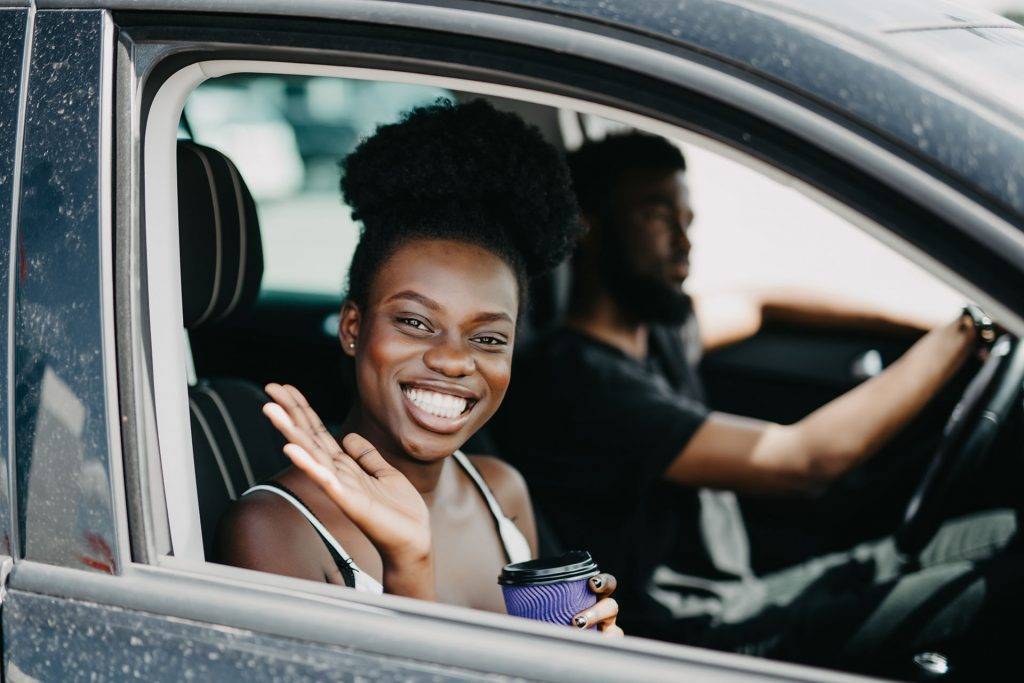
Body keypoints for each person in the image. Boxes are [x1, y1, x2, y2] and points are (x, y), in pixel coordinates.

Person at [494, 131, 1019, 667]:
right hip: (701, 638)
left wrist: (921, 324)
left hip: (747, 596)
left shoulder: (661, 332)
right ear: (587, 223)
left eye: (687, 219)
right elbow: (804, 461)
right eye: (657, 215)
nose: (684, 241)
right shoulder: (579, 382)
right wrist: (965, 329)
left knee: (1003, 531)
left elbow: (761, 304)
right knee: (1004, 590)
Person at [215, 100, 622, 634]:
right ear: (353, 328)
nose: (454, 360)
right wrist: (408, 565)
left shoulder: (502, 493)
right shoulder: (274, 529)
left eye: (488, 337)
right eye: (416, 322)